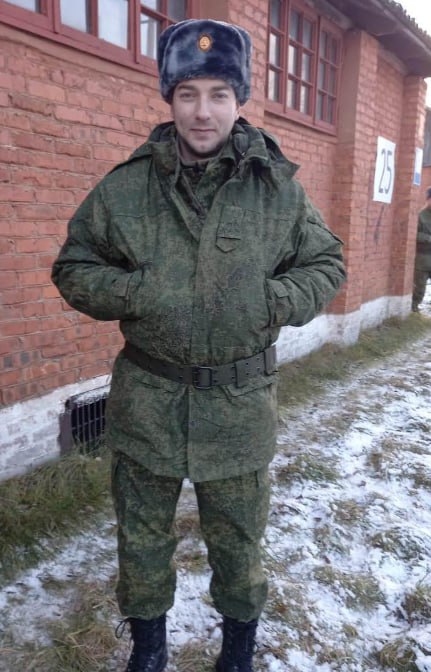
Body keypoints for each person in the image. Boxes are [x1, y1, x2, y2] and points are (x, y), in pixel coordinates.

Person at [51, 18, 346, 672]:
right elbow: (74, 267)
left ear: (239, 99)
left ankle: (237, 651)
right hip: (147, 401)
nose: (202, 111)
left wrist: (273, 301)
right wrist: (136, 292)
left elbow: (325, 264)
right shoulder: (126, 189)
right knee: (142, 541)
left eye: (218, 94)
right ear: (169, 98)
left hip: (238, 407)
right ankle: (148, 650)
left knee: (238, 544)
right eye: (187, 93)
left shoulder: (276, 190)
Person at [412, 187, 431, 312]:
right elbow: (413, 234)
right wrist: (428, 238)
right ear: (428, 199)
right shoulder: (420, 216)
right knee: (419, 288)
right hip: (423, 258)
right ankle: (413, 308)